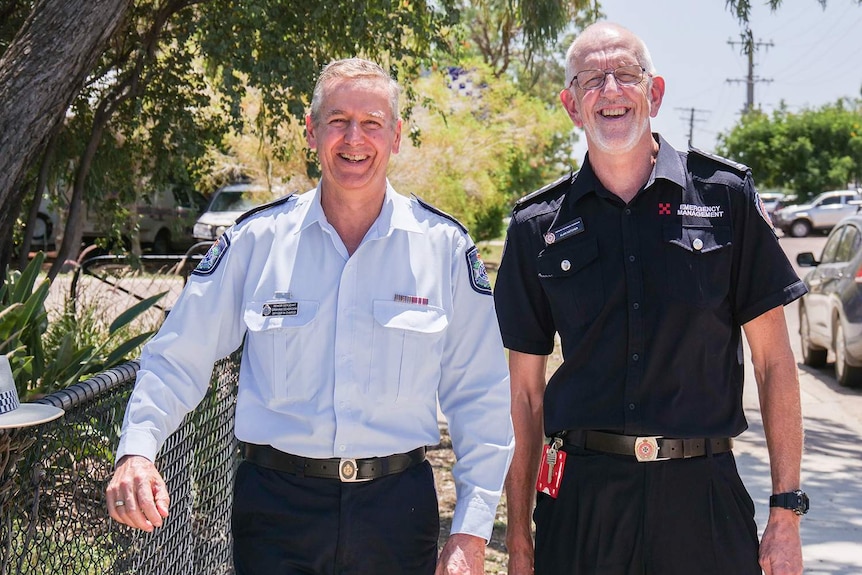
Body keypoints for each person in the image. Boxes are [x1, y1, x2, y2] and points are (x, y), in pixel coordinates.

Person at [106, 57, 514, 575]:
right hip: (277, 513)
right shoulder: (256, 241)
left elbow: (479, 395)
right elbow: (177, 357)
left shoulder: (443, 249)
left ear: (397, 136)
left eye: (371, 123)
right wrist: (138, 450)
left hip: (395, 513)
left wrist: (471, 533)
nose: (354, 139)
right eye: (338, 121)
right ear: (312, 130)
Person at [493, 22, 807, 575]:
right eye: (591, 80)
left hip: (701, 500)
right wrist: (519, 539)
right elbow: (524, 397)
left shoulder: (725, 197)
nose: (610, 90)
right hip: (583, 504)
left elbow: (775, 363)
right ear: (571, 105)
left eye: (626, 76)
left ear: (654, 93)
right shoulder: (536, 226)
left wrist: (785, 512)